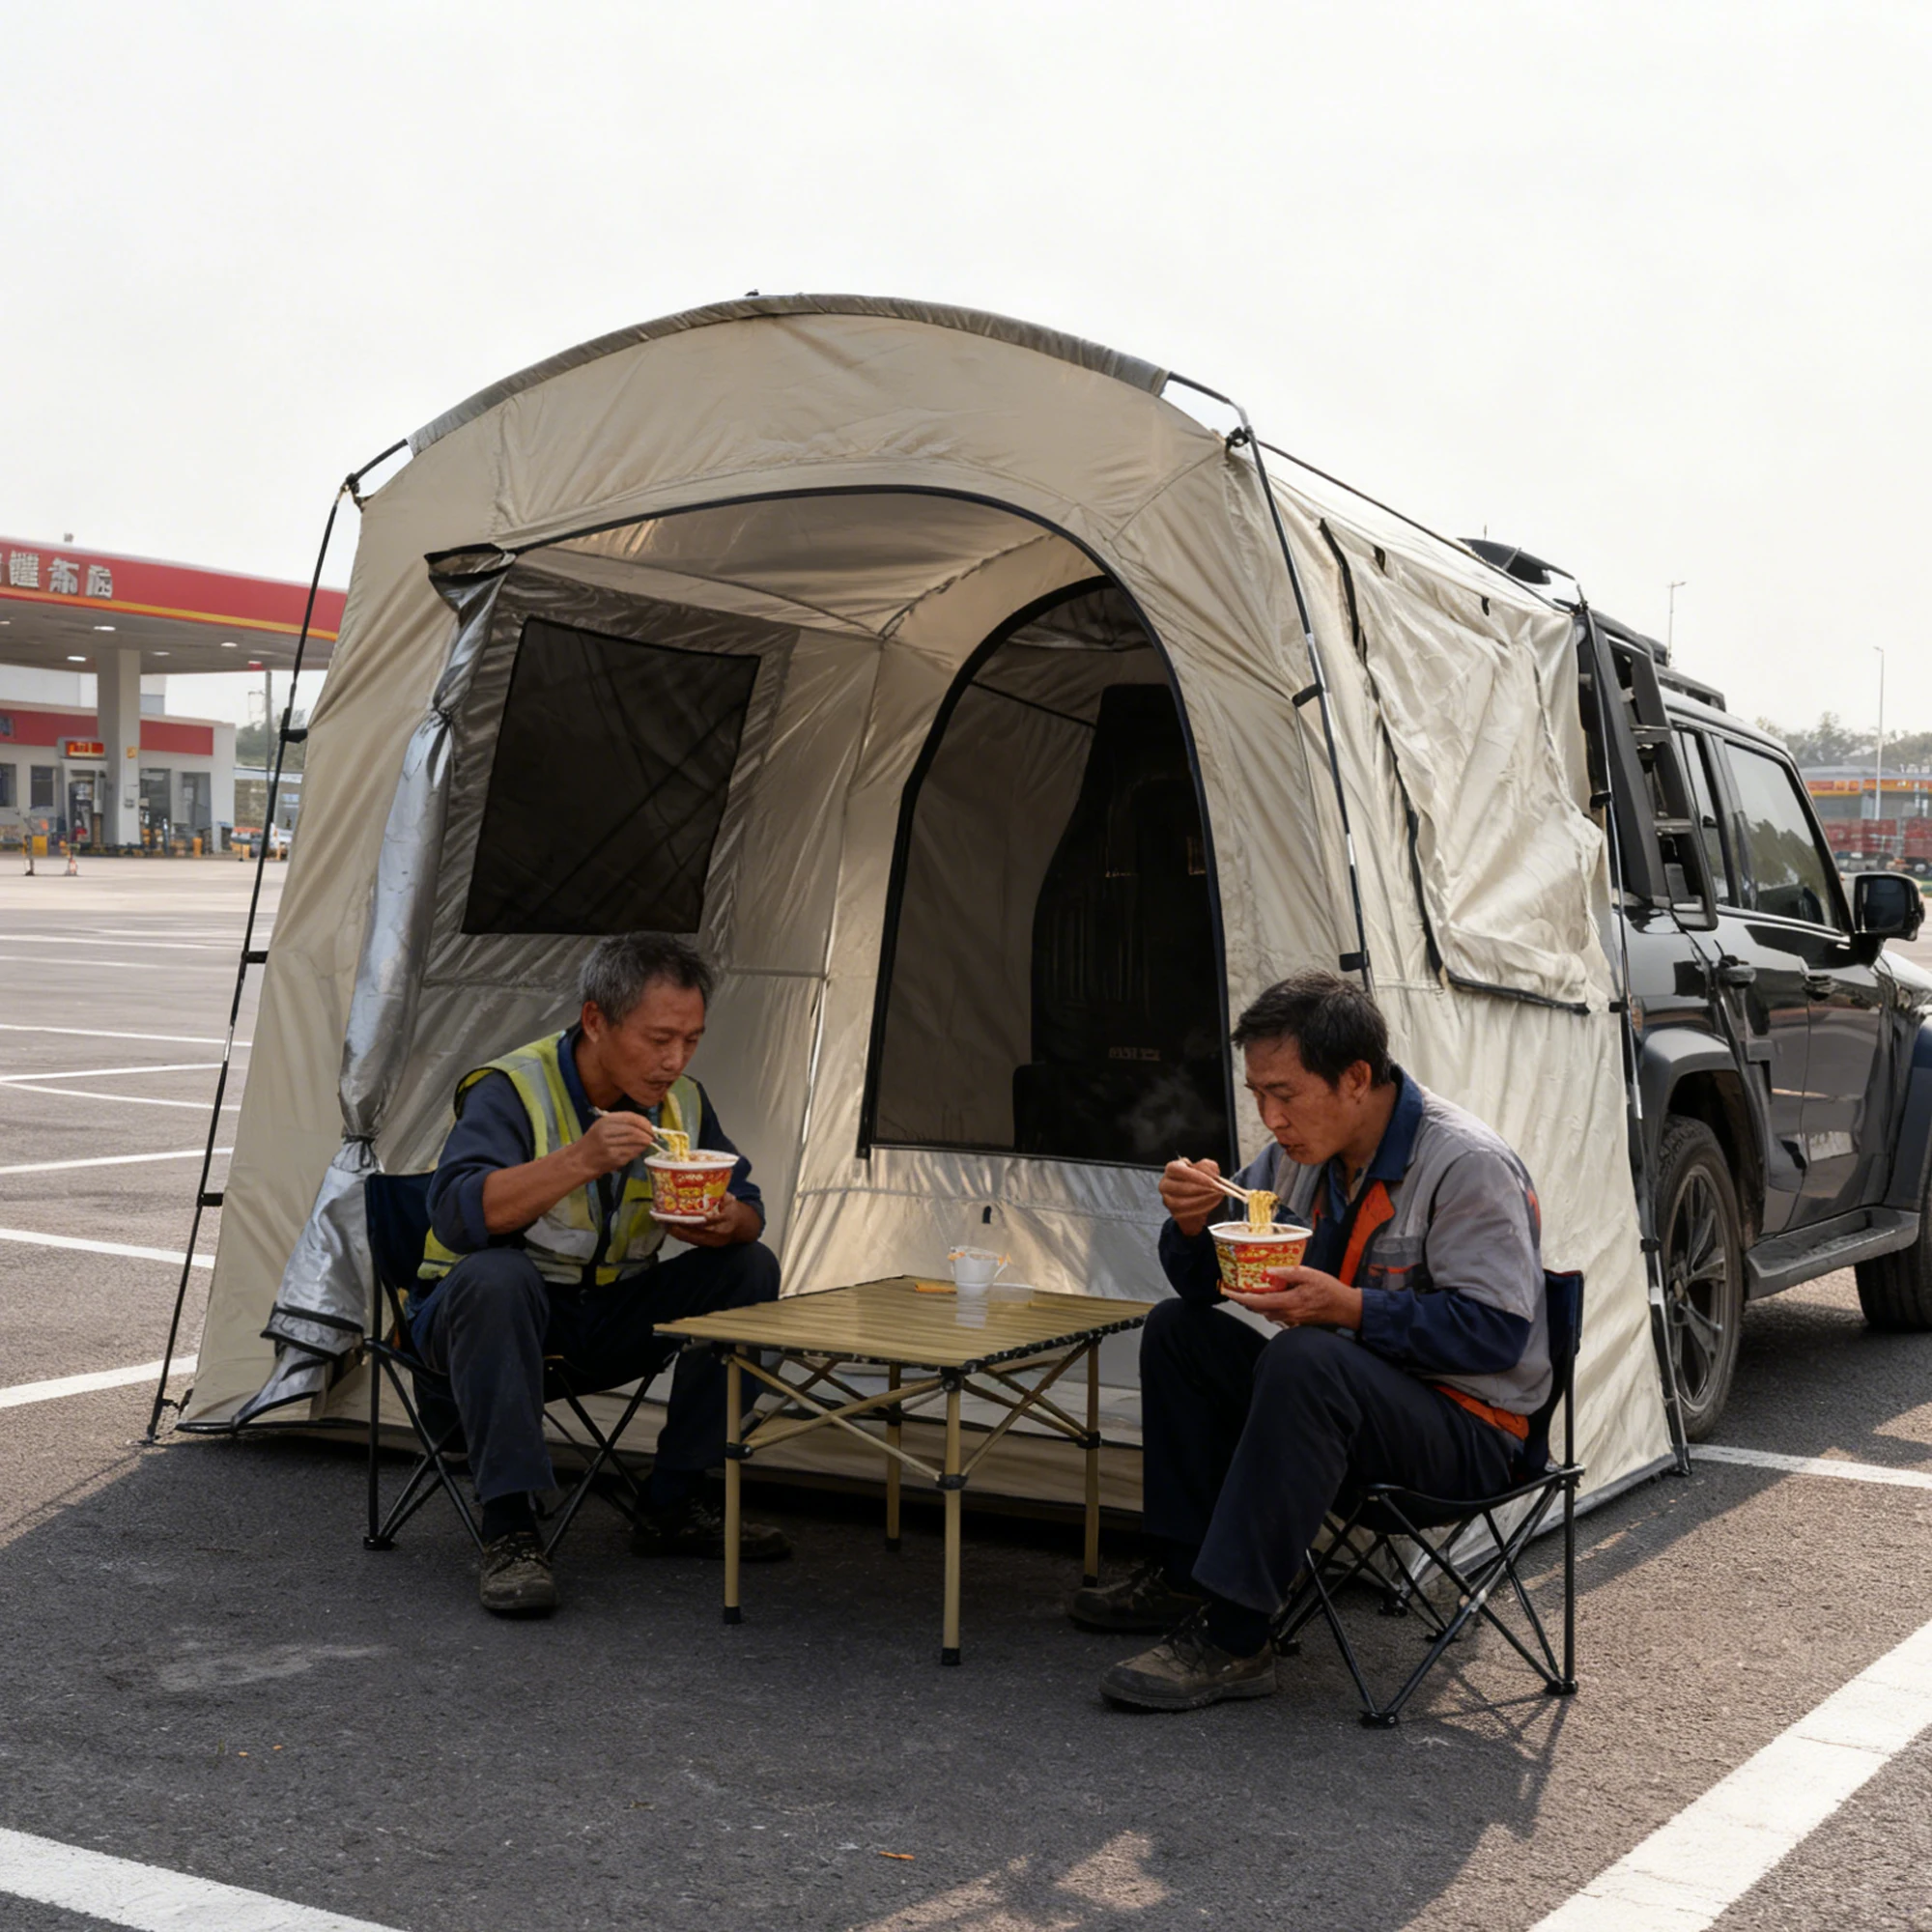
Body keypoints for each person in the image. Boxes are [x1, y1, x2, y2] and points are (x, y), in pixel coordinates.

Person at [1071, 968, 1549, 1710]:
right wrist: (1194, 1225)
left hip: (1469, 1432)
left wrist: (1353, 1309)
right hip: (1345, 1405)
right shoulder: (1293, 1164)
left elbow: (1496, 1334)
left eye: (1283, 1094)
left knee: (1307, 1358)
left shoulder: (1464, 1164)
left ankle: (1236, 1638)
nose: (1269, 1118)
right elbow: (1204, 1288)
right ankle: (1183, 1575)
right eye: (1257, 1094)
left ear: (1356, 1078)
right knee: (1178, 1333)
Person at [411, 931, 790, 1617]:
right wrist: (579, 1160)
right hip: (478, 1322)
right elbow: (458, 1217)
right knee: (499, 1275)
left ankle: (675, 1499)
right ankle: (510, 1527)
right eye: (658, 1039)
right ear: (595, 1020)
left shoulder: (684, 1104)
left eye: (692, 1040)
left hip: (604, 1316)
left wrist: (723, 1219)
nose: (675, 1060)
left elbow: (751, 1210)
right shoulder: (512, 1089)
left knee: (747, 1267)